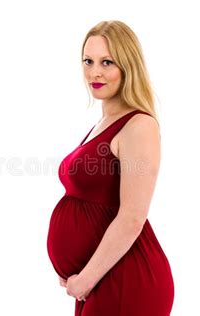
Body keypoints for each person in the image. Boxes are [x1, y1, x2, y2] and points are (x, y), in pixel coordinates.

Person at [46, 20, 174, 316]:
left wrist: (85, 279)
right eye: (88, 61)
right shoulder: (102, 124)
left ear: (128, 66)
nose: (95, 72)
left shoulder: (139, 125)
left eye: (107, 62)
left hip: (126, 278)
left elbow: (132, 218)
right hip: (98, 278)